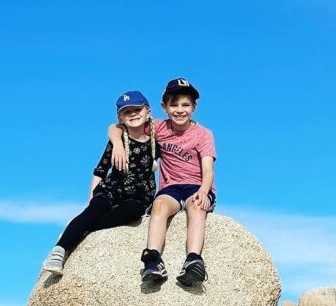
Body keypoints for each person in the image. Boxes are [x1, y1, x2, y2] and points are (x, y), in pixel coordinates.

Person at [110, 77, 216, 286]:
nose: (179, 110)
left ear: (194, 107)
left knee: (196, 207)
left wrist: (204, 191)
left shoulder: (203, 134)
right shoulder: (158, 127)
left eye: (185, 105)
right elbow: (116, 127)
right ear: (164, 107)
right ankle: (153, 259)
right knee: (158, 206)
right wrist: (117, 144)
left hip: (197, 185)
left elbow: (208, 170)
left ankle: (193, 259)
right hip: (171, 188)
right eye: (173, 105)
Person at [42, 91, 158, 275]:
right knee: (95, 208)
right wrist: (91, 198)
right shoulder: (117, 141)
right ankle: (60, 250)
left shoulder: (155, 140)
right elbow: (100, 170)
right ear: (120, 117)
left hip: (139, 196)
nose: (134, 114)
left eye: (137, 109)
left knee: (133, 211)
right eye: (127, 112)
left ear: (148, 112)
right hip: (112, 189)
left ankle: (80, 230)